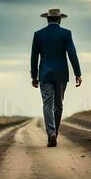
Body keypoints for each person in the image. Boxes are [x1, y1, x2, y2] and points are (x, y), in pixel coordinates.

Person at [30, 9, 82, 147]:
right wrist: (78, 73)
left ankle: (51, 133)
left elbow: (34, 57)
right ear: (60, 19)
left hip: (45, 75)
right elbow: (72, 54)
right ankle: (55, 133)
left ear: (47, 19)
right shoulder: (66, 34)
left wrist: (34, 77)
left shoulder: (38, 35)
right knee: (58, 105)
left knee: (47, 104)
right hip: (61, 75)